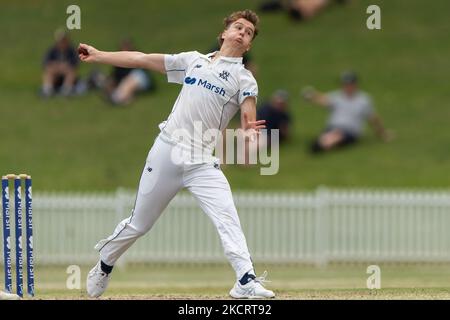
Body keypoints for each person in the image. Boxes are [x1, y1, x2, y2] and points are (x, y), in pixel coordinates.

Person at [78, 10, 275, 299]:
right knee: (139, 224)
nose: (242, 33)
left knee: (227, 215)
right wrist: (98, 55)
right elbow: (142, 59)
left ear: (248, 45)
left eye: (248, 33)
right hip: (168, 150)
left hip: (201, 160)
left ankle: (245, 280)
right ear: (224, 33)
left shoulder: (244, 78)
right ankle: (105, 264)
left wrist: (248, 132)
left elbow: (248, 116)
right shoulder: (192, 61)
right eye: (238, 27)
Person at [302, 71, 394, 153]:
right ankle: (323, 142)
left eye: (350, 84)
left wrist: (382, 133)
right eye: (345, 84)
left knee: (337, 135)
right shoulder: (337, 96)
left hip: (350, 131)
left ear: (355, 85)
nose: (347, 87)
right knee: (332, 133)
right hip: (332, 127)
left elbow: (373, 118)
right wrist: (312, 96)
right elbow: (323, 100)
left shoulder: (364, 100)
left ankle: (323, 144)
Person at [103, 38, 155, 105]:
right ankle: (121, 97)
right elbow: (115, 76)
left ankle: (117, 98)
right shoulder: (118, 61)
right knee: (126, 81)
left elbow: (145, 69)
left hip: (141, 79)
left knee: (132, 77)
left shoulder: (137, 56)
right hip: (128, 81)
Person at [41, 29, 79, 97]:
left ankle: (66, 90)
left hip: (66, 72)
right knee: (49, 71)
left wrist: (66, 65)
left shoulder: (71, 50)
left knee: (71, 72)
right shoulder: (52, 50)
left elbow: (75, 62)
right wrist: (55, 65)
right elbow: (45, 62)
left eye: (64, 41)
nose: (62, 43)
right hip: (55, 73)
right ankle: (47, 90)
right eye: (61, 41)